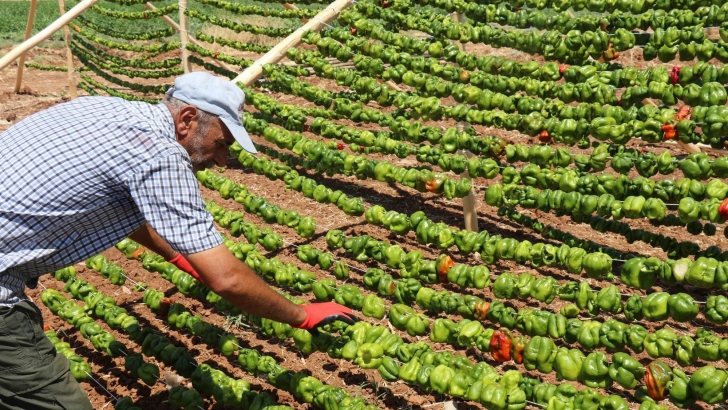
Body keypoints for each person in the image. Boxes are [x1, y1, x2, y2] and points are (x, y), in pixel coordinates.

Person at [0, 71, 357, 409]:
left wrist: (178, 255)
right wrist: (301, 315)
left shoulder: (103, 107)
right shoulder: (160, 154)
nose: (222, 158)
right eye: (221, 143)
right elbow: (227, 279)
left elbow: (119, 207)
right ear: (186, 118)